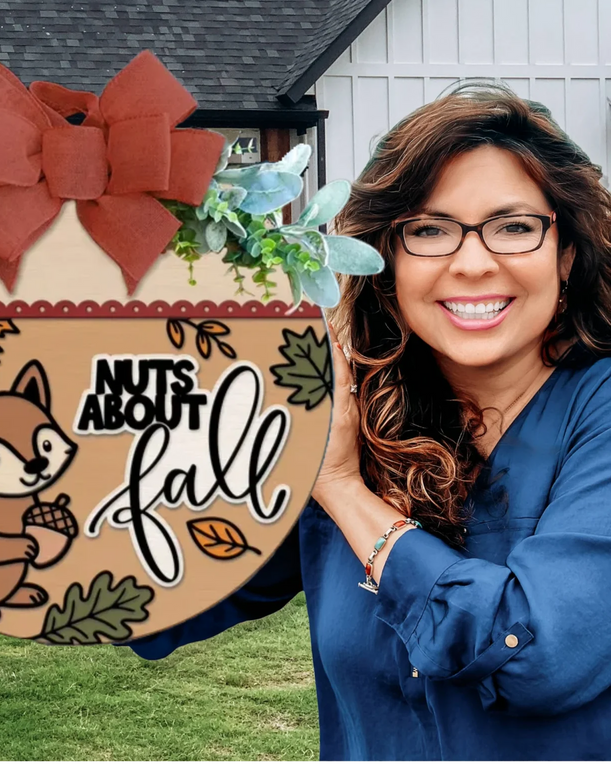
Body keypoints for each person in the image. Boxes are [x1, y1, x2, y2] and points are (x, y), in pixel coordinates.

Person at [124, 82, 611, 762]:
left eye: (513, 226)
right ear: (388, 264)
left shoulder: (598, 413)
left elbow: (537, 655)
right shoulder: (357, 413)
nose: (472, 262)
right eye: (430, 230)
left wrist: (345, 490)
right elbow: (155, 595)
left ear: (565, 254)